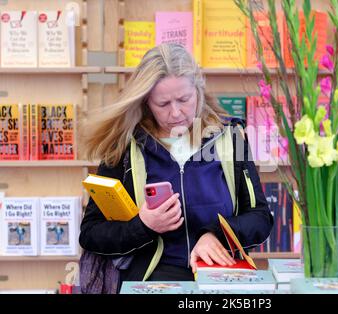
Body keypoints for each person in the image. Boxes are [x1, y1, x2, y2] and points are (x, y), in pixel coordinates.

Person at [79, 43, 273, 292]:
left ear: (198, 90)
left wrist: (217, 235)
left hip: (219, 280)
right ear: (146, 101)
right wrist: (144, 226)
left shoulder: (231, 138)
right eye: (163, 104)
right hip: (151, 282)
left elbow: (260, 218)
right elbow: (91, 234)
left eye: (184, 99)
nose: (175, 113)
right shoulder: (125, 148)